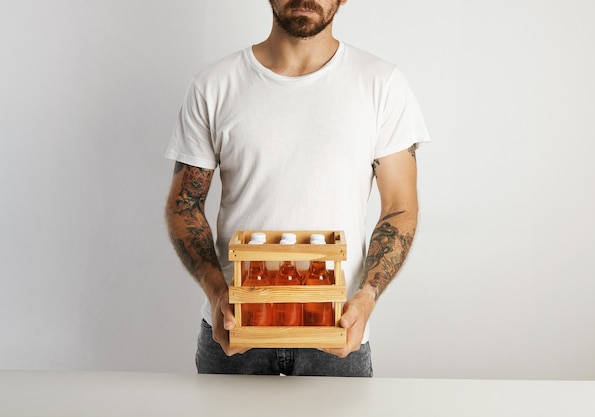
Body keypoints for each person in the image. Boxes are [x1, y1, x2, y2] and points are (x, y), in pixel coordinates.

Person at [164, 0, 430, 377]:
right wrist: (218, 292)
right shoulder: (215, 85)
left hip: (337, 332)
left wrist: (367, 299)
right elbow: (184, 206)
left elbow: (400, 208)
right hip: (236, 331)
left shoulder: (381, 84)